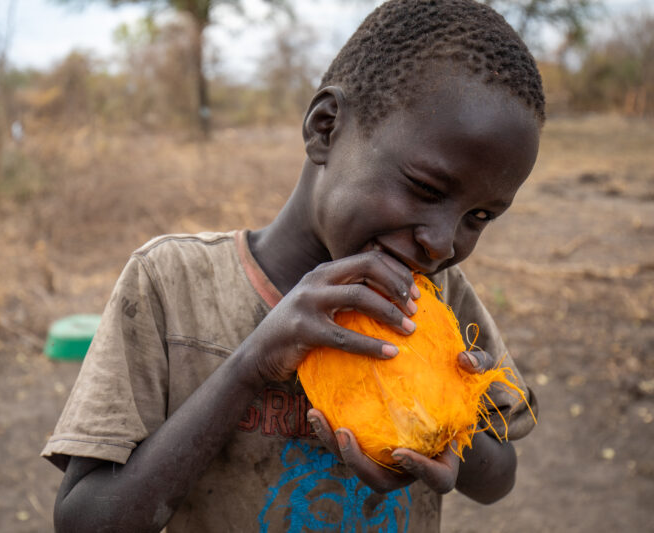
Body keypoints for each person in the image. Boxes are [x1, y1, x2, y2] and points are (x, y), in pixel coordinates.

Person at [42, 0, 543, 531]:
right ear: (325, 128)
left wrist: (449, 426)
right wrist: (253, 363)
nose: (442, 244)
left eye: (480, 215)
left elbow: (500, 477)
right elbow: (85, 519)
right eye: (424, 188)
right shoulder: (171, 285)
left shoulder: (439, 300)